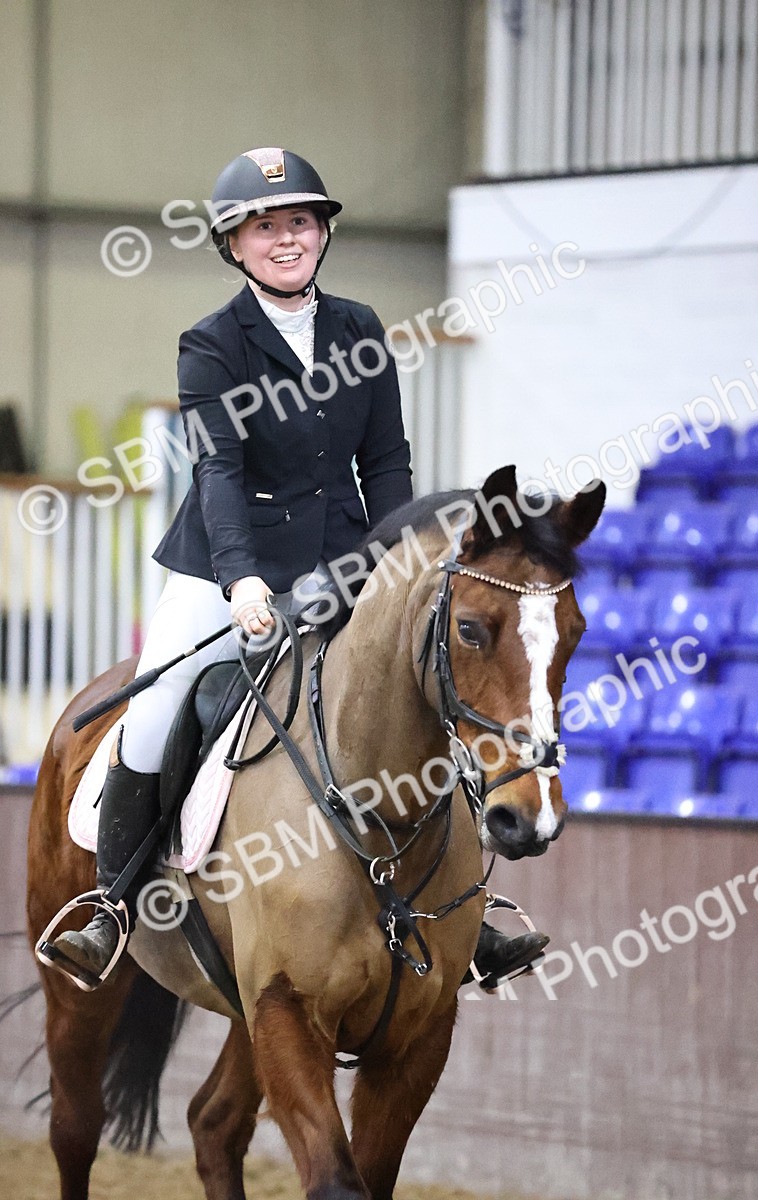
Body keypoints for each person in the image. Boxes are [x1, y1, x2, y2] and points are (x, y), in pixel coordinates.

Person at [45, 147, 547, 989]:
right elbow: (220, 473)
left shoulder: (360, 331)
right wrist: (243, 583)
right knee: (158, 705)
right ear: (235, 245)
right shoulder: (210, 344)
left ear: (323, 233)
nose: (287, 238)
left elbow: (387, 466)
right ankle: (112, 905)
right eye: (267, 226)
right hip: (222, 571)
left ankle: (464, 908)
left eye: (302, 222)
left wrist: (400, 561)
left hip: (348, 569)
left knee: (427, 687)